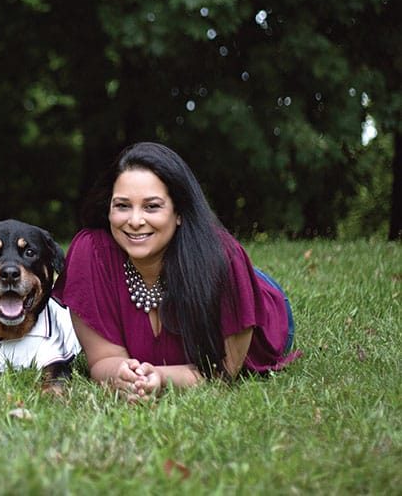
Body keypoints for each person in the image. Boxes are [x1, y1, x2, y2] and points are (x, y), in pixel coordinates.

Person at [52, 142, 300, 401]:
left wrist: (160, 378)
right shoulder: (90, 252)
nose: (135, 221)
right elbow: (103, 359)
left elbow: (222, 373)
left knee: (230, 270)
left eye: (152, 206)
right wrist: (124, 375)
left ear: (179, 212)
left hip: (253, 303)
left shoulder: (226, 259)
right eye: (123, 206)